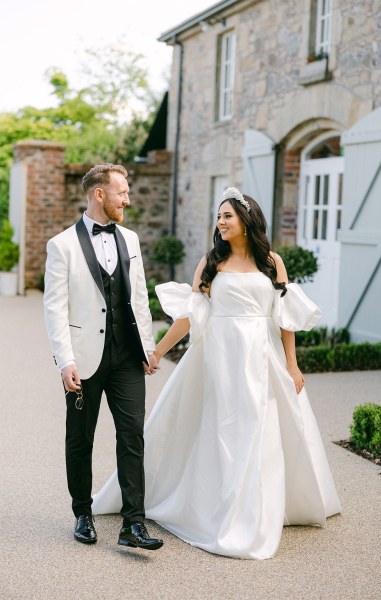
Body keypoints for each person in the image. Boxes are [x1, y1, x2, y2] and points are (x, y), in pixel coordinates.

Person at [92, 186, 341, 559]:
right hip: (218, 356)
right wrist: (156, 351)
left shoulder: (272, 261)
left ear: (247, 220)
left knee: (260, 426)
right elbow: (191, 316)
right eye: (219, 216)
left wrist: (292, 364)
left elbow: (284, 318)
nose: (220, 222)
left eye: (227, 216)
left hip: (261, 353)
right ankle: (218, 505)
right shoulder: (211, 262)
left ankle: (256, 510)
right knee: (221, 428)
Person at [44, 163, 163, 551]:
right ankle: (82, 512)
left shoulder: (129, 238)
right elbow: (55, 309)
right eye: (122, 192)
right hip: (84, 358)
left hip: (127, 355)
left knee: (133, 437)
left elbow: (140, 298)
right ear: (100, 194)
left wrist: (146, 346)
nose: (127, 199)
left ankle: (134, 524)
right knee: (80, 438)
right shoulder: (61, 245)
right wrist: (65, 361)